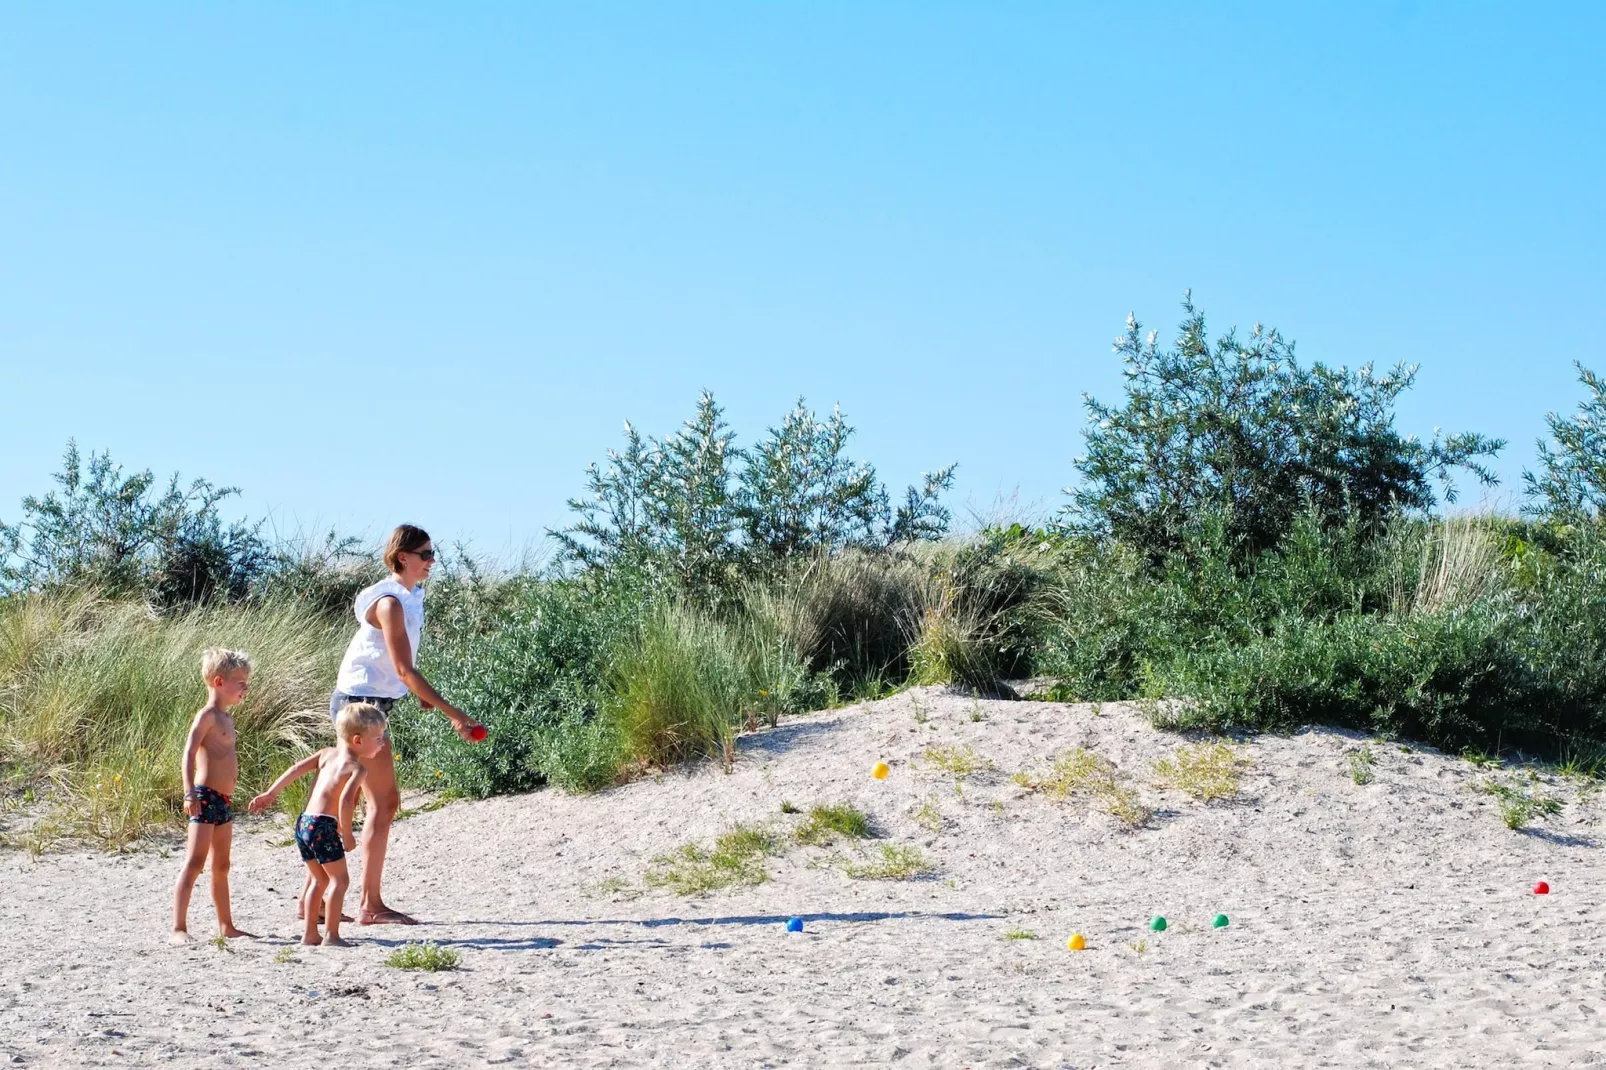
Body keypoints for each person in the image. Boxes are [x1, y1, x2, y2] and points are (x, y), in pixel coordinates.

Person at [330, 523, 482, 925]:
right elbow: (403, 667)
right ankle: (369, 904)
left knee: (357, 801)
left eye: (433, 554)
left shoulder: (411, 597)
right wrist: (456, 714)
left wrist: (414, 692)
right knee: (380, 802)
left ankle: (333, 899)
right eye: (425, 554)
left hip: (371, 702)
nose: (432, 561)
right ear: (403, 557)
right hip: (359, 705)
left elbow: (400, 665)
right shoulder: (390, 602)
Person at [249, 701, 389, 946]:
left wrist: (271, 793)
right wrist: (347, 833)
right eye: (378, 738)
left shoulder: (326, 754)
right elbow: (346, 801)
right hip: (324, 826)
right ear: (357, 741)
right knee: (340, 881)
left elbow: (295, 769)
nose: (382, 743)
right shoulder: (357, 768)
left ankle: (310, 933)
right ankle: (332, 935)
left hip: (304, 823)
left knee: (319, 880)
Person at [170, 648, 257, 945]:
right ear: (219, 681)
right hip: (204, 796)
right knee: (195, 861)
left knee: (222, 865)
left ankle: (226, 925)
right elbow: (189, 752)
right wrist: (188, 791)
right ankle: (178, 927)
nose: (245, 689)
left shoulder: (227, 718)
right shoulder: (207, 716)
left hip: (223, 800)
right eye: (241, 683)